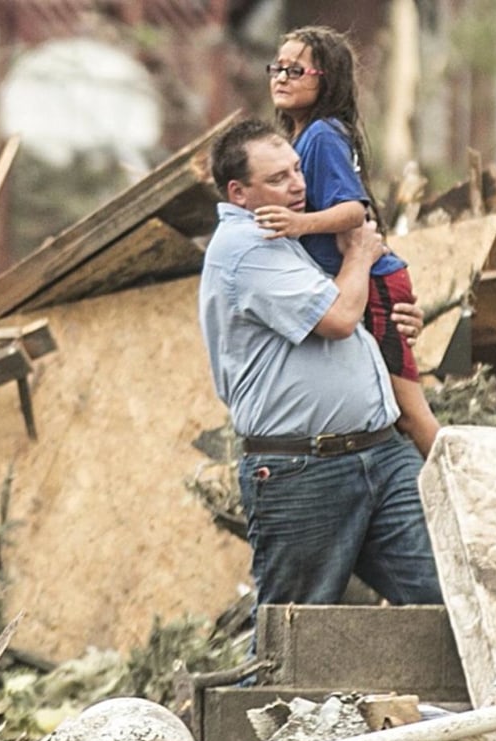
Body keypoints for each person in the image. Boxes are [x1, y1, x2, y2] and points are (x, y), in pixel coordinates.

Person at [198, 118, 443, 614]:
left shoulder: (292, 234)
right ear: (238, 192)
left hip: (380, 453)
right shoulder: (246, 249)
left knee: (443, 599)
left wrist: (396, 322)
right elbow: (336, 317)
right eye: (278, 179)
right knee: (295, 634)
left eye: (296, 170)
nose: (297, 186)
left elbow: (353, 312)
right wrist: (359, 252)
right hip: (304, 469)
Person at [255, 24, 441, 459]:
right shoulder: (306, 138)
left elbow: (354, 212)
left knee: (409, 410)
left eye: (296, 70)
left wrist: (297, 225)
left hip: (374, 281)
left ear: (327, 80)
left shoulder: (321, 136)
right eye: (277, 68)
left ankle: (469, 498)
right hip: (356, 281)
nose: (281, 77)